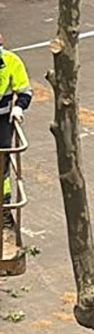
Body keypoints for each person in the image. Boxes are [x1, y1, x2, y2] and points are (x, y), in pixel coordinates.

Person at [0, 33, 32, 223]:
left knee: (2, 161)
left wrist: (19, 106)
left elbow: (25, 91)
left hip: (3, 119)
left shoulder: (12, 62)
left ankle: (4, 209)